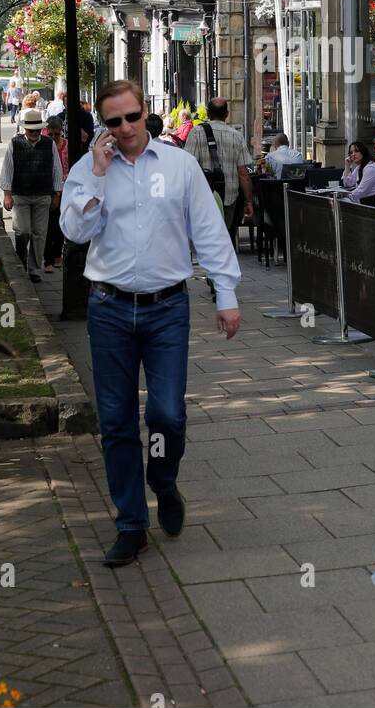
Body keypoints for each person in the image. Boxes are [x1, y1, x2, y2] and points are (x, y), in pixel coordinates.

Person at [60, 80, 242, 567]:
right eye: (114, 122)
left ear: (146, 113)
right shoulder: (88, 168)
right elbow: (73, 231)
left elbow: (209, 229)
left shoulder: (179, 166)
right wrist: (97, 175)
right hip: (110, 308)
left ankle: (163, 478)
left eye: (132, 117)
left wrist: (225, 294)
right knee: (117, 423)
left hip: (166, 308)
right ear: (104, 125)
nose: (125, 129)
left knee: (166, 414)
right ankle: (131, 525)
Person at [0, 108, 64, 283]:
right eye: (31, 130)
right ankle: (21, 259)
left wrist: (57, 194)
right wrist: (7, 194)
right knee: (23, 231)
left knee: (40, 233)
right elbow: (7, 169)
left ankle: (35, 269)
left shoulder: (49, 144)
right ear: (25, 129)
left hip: (43, 195)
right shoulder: (15, 143)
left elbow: (57, 170)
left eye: (37, 129)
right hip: (21, 194)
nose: (34, 133)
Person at [184, 97, 254, 239]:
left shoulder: (196, 133)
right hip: (229, 197)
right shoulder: (237, 136)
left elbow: (187, 168)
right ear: (227, 114)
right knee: (224, 237)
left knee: (206, 239)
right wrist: (248, 201)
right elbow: (243, 174)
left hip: (203, 196)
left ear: (208, 113)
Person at [43, 116, 69, 272]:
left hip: (65, 188)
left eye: (56, 134)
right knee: (48, 224)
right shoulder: (44, 146)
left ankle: (58, 253)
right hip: (48, 187)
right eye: (50, 134)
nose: (53, 137)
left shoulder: (66, 146)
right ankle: (48, 258)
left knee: (60, 223)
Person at [341, 140, 375, 209]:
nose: (353, 154)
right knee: (341, 202)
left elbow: (361, 191)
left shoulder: (371, 168)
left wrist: (344, 196)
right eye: (351, 153)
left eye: (356, 151)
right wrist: (347, 166)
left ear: (363, 152)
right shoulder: (360, 167)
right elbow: (348, 184)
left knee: (342, 202)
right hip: (366, 202)